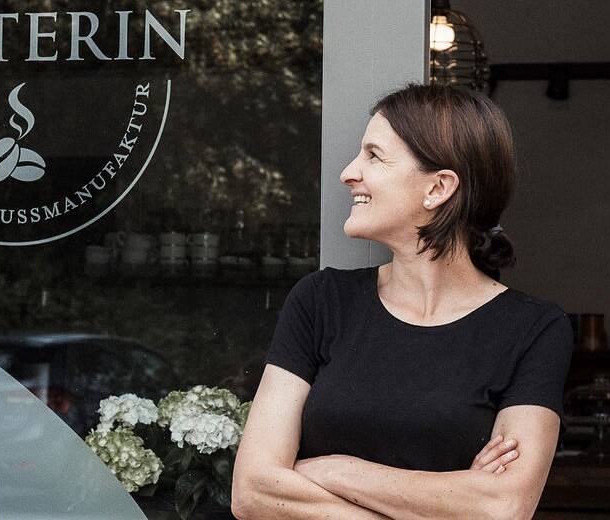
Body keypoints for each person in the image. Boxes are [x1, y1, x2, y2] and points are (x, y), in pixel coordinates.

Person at [232, 83, 574, 519]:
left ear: (438, 188)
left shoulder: (533, 330)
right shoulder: (320, 301)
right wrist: (448, 500)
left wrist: (337, 470)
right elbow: (253, 491)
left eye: (374, 156)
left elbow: (502, 506)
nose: (349, 173)